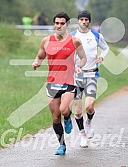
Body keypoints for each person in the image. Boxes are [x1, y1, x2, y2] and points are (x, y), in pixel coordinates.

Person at [32, 12, 86, 155]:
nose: (59, 26)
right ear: (54, 24)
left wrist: (80, 66)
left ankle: (68, 118)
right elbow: (40, 55)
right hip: (52, 82)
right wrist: (37, 62)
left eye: (62, 23)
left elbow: (83, 57)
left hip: (69, 82)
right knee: (55, 117)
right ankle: (62, 145)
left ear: (67, 25)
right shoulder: (46, 41)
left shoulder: (75, 41)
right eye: (57, 23)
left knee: (64, 110)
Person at [70, 10, 109, 148]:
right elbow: (66, 54)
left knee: (89, 106)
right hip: (77, 77)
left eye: (86, 20)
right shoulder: (72, 36)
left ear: (89, 21)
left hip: (92, 74)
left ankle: (89, 123)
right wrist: (74, 67)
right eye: (82, 19)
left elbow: (105, 48)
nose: (84, 22)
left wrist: (102, 57)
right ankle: (82, 135)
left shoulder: (96, 36)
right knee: (79, 110)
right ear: (78, 21)